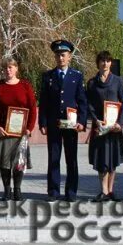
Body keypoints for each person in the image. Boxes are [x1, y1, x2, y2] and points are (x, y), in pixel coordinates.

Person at [38, 39, 87, 202]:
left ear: (69, 56)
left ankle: (71, 192)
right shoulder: (48, 76)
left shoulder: (77, 76)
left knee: (71, 158)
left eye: (63, 55)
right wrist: (43, 122)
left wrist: (82, 121)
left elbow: (82, 101)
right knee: (54, 158)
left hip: (71, 125)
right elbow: (43, 101)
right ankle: (53, 191)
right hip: (53, 124)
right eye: (58, 55)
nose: (60, 58)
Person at [0, 56, 37, 201]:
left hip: (21, 132)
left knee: (19, 162)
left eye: (10, 67)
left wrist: (29, 128)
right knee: (4, 162)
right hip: (3, 130)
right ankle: (6, 190)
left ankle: (18, 190)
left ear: (16, 68)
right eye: (5, 68)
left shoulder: (25, 86)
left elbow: (32, 108)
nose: (7, 70)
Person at [86, 51, 123, 202]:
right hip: (100, 126)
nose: (105, 63)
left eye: (107, 61)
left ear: (111, 63)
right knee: (101, 159)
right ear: (98, 63)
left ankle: (110, 191)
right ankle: (103, 190)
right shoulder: (91, 82)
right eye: (102, 61)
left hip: (114, 127)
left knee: (112, 159)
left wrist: (120, 123)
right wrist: (96, 120)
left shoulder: (118, 81)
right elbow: (89, 104)